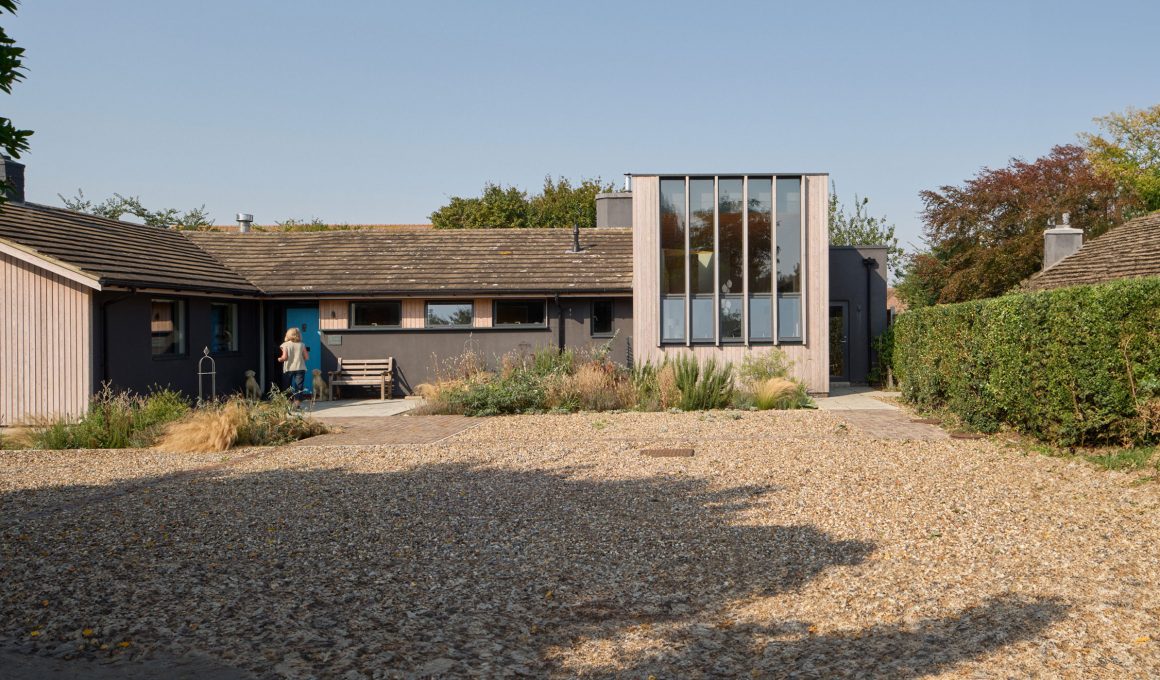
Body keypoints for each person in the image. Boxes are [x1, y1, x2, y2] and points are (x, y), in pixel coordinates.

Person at [277, 327, 309, 407]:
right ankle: (297, 403)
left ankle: (288, 403)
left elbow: (285, 357)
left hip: (289, 368)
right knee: (299, 386)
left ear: (288, 335)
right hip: (300, 368)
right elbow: (306, 357)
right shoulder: (302, 344)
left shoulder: (285, 345)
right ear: (299, 335)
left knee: (287, 386)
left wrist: (279, 359)